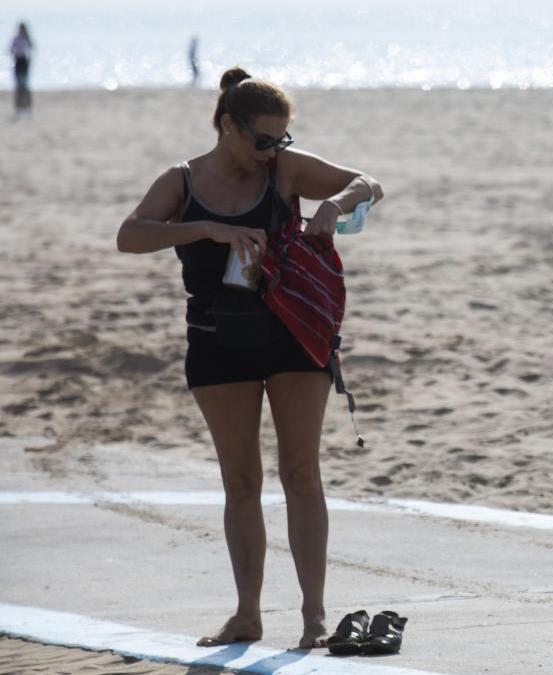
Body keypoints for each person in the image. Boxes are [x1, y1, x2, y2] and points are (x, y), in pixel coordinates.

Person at [116, 67, 384, 648]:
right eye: (262, 140)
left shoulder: (285, 170)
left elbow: (369, 181)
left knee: (301, 475)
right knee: (241, 481)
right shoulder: (183, 181)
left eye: (281, 140)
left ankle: (313, 617)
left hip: (293, 334)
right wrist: (204, 229)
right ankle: (247, 615)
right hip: (216, 340)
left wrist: (334, 206)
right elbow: (130, 235)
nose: (272, 152)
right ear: (228, 126)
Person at [10, 22, 32, 117]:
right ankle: (19, 108)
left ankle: (27, 107)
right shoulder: (16, 39)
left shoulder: (27, 38)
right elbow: (11, 50)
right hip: (18, 62)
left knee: (25, 86)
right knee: (19, 87)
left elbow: (31, 49)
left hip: (25, 63)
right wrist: (16, 51)